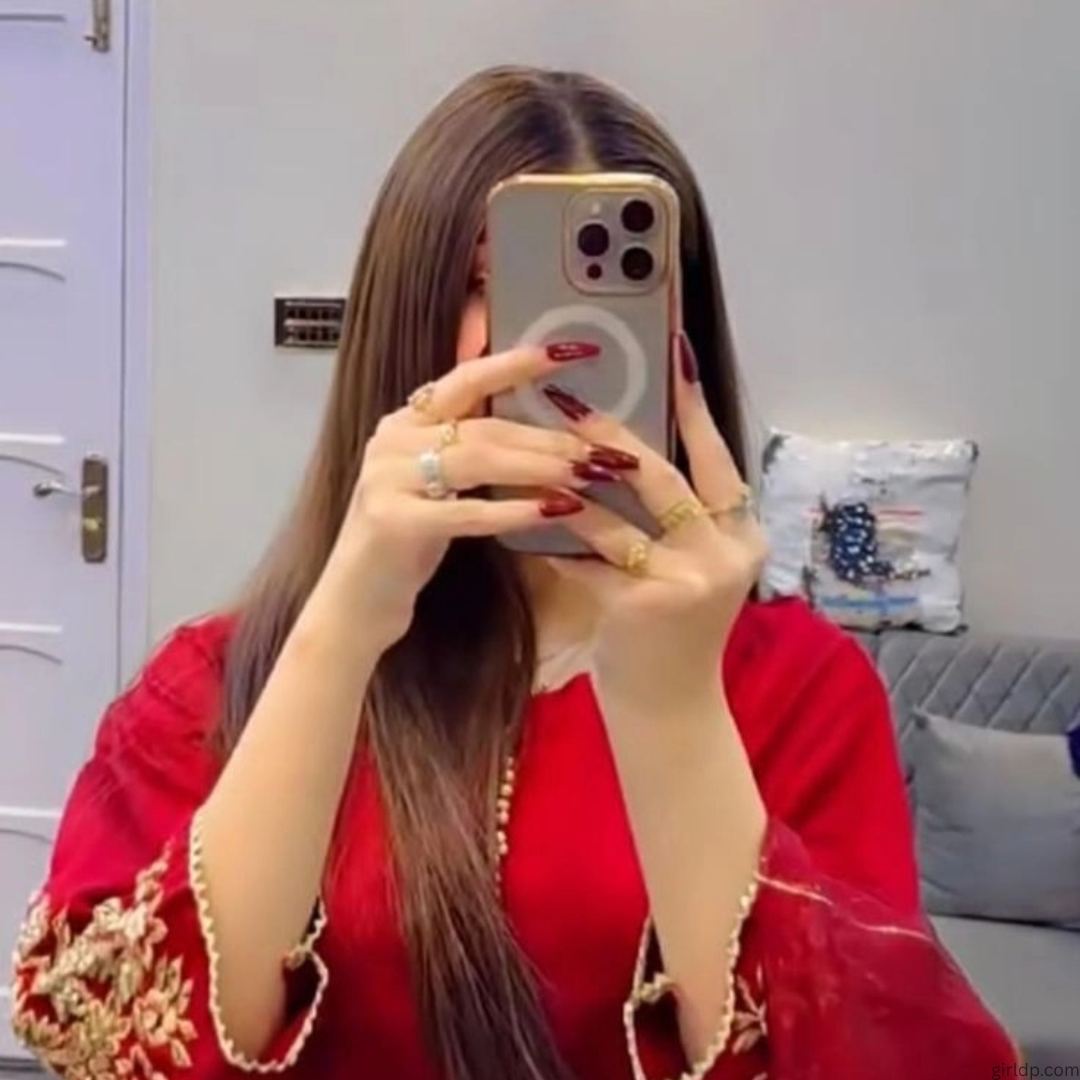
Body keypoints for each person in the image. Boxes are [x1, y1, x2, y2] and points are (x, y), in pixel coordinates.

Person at [10, 66, 1017, 1080]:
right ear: (400, 319)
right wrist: (342, 628)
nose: (538, 348)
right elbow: (114, 1041)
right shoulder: (222, 682)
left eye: (607, 300)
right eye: (475, 287)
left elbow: (876, 1058)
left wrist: (672, 709)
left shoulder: (797, 690)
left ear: (677, 335)